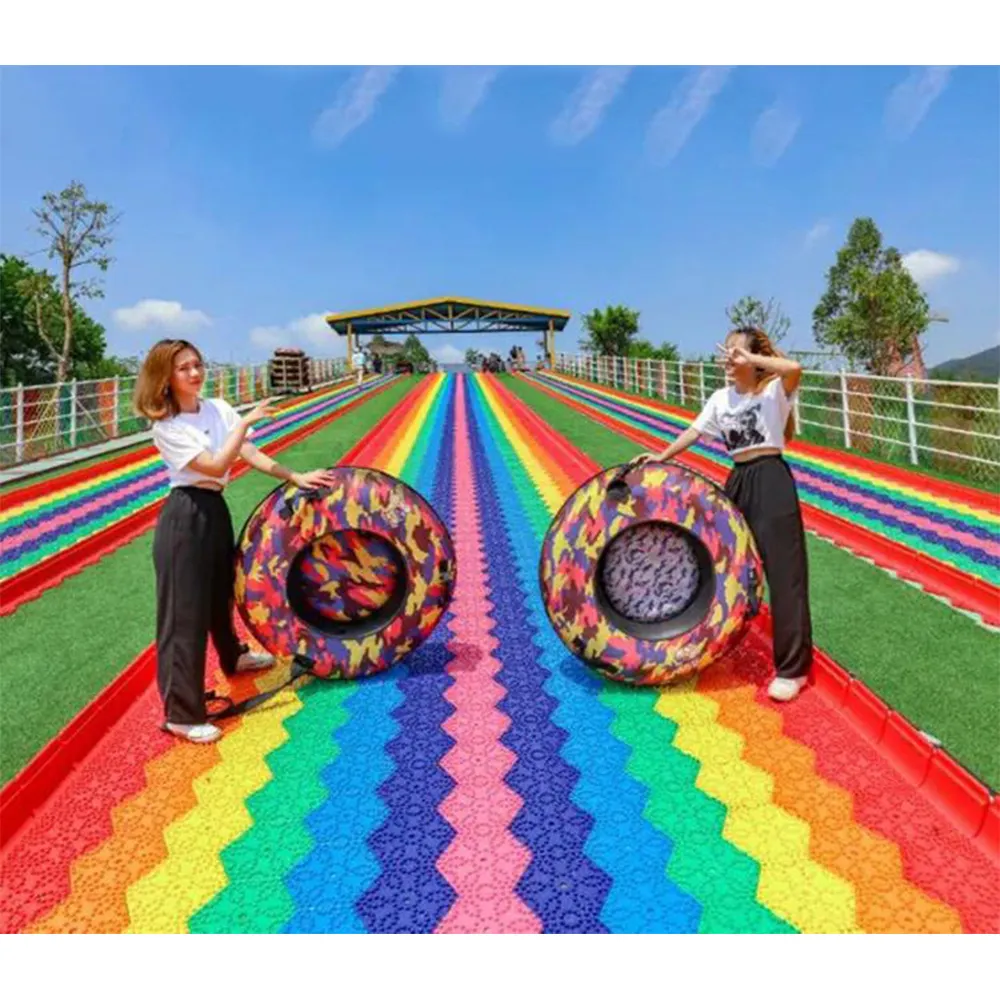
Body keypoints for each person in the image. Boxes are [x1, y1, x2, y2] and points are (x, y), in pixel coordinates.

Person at [134, 339, 339, 743]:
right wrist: (243, 424)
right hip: (185, 515)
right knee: (184, 616)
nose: (194, 373)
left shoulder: (217, 409)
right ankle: (181, 713)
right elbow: (213, 464)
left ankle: (234, 657)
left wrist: (294, 476)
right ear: (165, 378)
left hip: (214, 509)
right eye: (183, 368)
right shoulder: (168, 426)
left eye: (197, 364)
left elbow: (248, 452)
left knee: (220, 594)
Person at [636, 326, 813, 702]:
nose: (727, 359)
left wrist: (753, 360)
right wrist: (661, 456)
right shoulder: (720, 398)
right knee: (723, 568)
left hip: (771, 479)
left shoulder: (772, 393)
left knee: (785, 576)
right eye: (726, 352)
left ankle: (792, 670)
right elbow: (694, 432)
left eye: (735, 353)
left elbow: (794, 367)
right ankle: (704, 645)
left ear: (751, 357)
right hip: (738, 481)